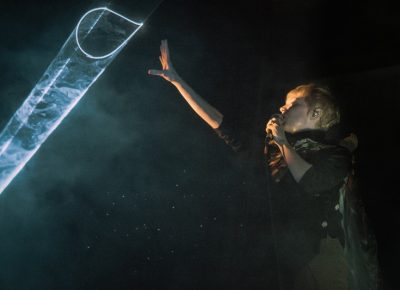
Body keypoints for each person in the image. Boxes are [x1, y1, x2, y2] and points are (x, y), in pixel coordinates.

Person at [148, 40, 355, 290]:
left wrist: (282, 142)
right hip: (286, 263)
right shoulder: (273, 150)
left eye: (292, 104)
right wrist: (178, 82)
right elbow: (223, 126)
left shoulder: (335, 154)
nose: (282, 107)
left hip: (325, 256)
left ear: (316, 114)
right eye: (284, 103)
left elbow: (312, 182)